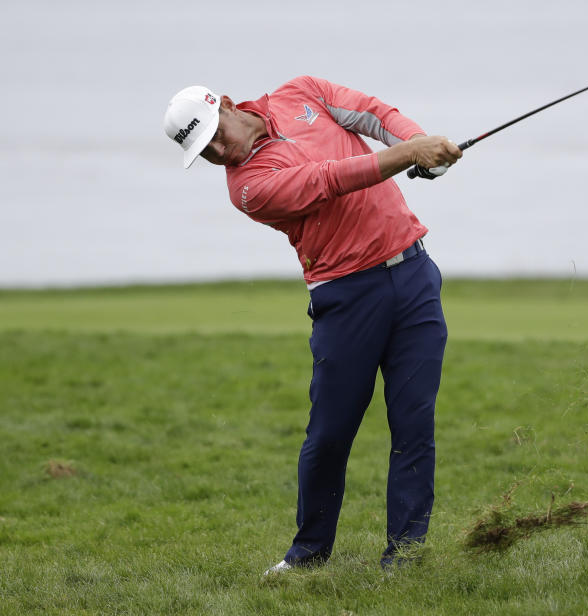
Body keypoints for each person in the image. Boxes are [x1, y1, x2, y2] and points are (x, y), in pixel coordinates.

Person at [163, 77, 461, 574]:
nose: (218, 151)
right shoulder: (249, 188)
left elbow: (372, 114)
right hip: (345, 296)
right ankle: (308, 553)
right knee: (329, 434)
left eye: (216, 134)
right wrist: (413, 153)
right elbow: (330, 178)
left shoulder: (300, 92)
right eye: (205, 151)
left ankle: (404, 556)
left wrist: (419, 143)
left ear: (231, 107)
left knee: (414, 425)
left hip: (413, 276)